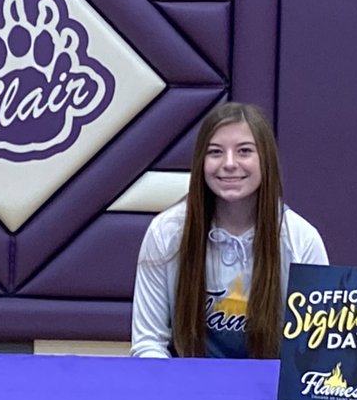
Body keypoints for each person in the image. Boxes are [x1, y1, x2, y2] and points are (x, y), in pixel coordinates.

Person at [131, 102, 327, 359]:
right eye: (215, 152)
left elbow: (316, 349)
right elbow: (148, 343)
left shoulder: (302, 239)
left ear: (265, 159)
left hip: (267, 392)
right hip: (187, 390)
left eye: (244, 151)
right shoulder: (165, 233)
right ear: (201, 161)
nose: (230, 163)